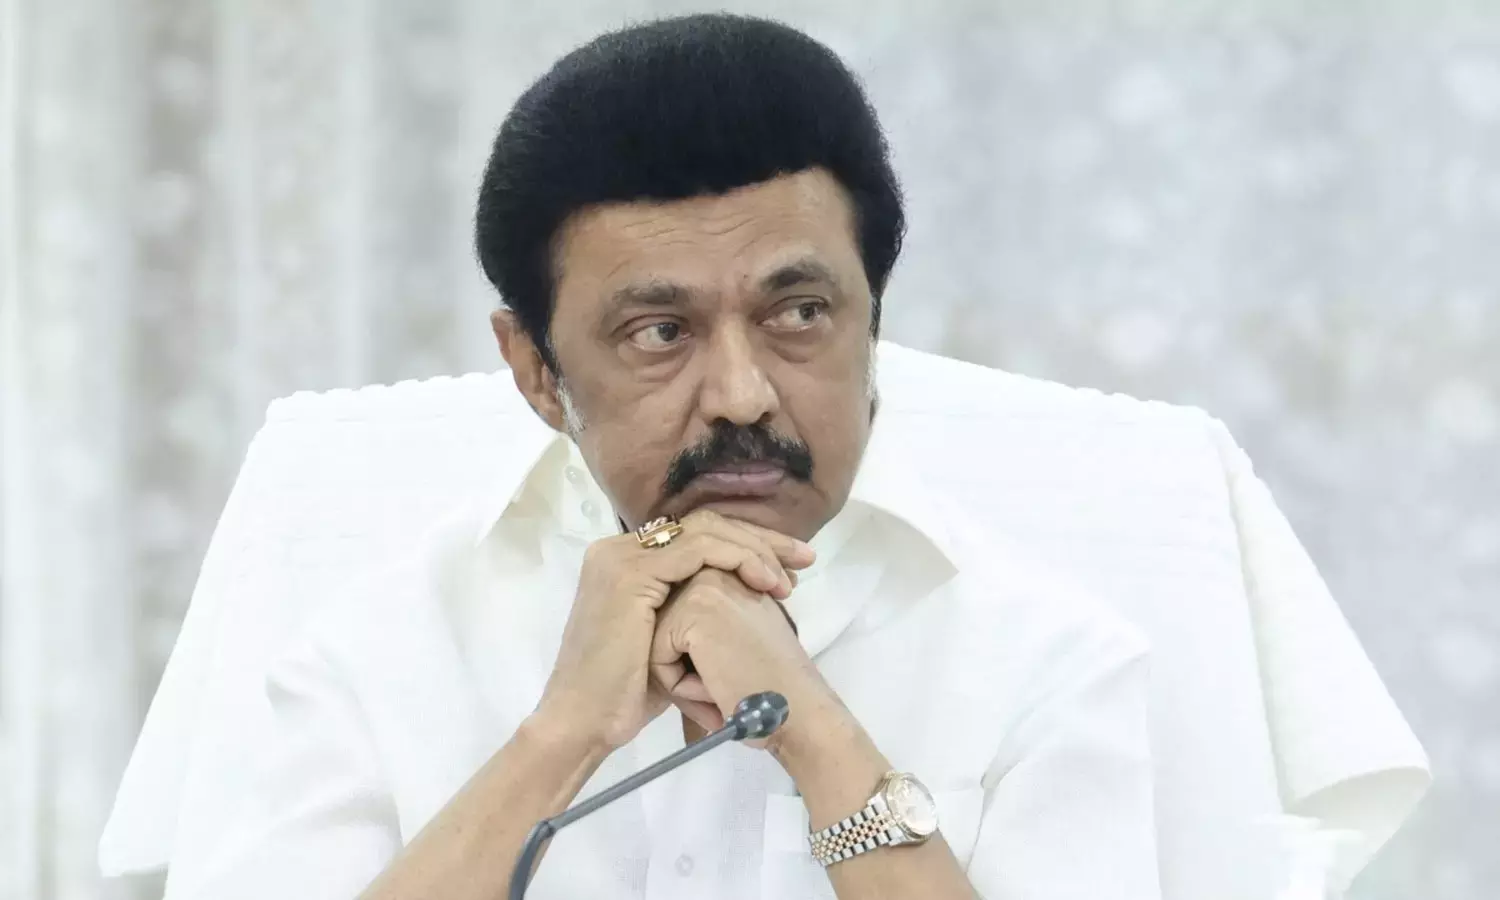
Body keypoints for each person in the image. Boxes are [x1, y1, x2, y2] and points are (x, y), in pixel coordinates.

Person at [164, 13, 1159, 899]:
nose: (741, 395)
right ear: (536, 372)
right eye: (659, 332)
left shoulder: (1047, 663)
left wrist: (815, 733)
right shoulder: (381, 652)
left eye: (799, 313)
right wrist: (563, 734)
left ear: (873, 323)